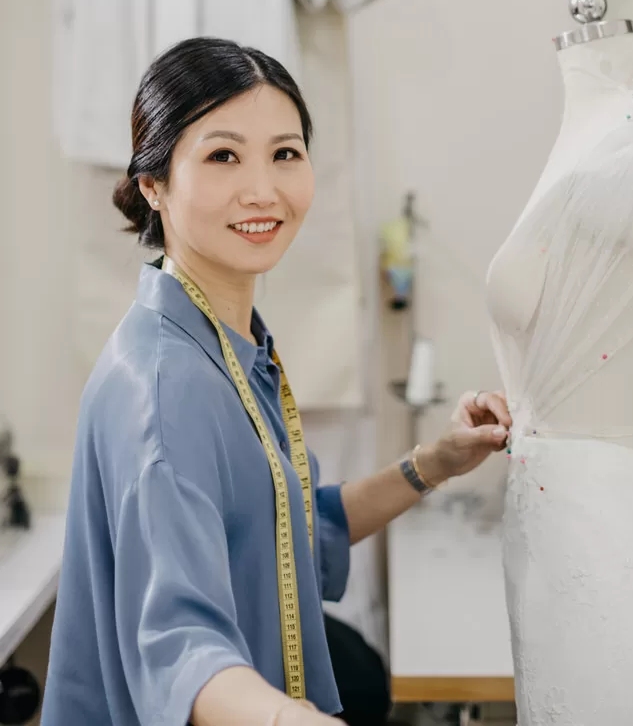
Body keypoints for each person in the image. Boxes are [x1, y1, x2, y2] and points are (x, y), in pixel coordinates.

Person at [40, 37, 511, 726]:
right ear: (153, 186)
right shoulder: (166, 390)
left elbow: (295, 528)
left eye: (285, 154)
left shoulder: (225, 344)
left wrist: (436, 462)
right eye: (223, 156)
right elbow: (182, 653)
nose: (263, 190)